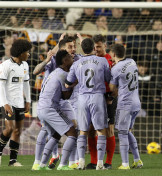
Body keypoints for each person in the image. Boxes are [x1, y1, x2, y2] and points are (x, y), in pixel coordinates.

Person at [32, 35, 79, 170]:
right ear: (65, 61)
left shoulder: (56, 72)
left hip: (42, 108)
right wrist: (75, 83)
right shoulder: (63, 74)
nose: (72, 58)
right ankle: (64, 165)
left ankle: (41, 165)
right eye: (70, 58)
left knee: (55, 134)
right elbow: (65, 96)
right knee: (72, 133)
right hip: (50, 108)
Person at [66, 38, 111, 170]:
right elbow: (108, 78)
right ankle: (100, 164)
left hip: (82, 98)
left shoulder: (76, 63)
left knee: (83, 131)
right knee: (101, 130)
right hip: (97, 97)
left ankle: (80, 162)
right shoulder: (102, 61)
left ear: (82, 48)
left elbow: (68, 82)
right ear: (93, 48)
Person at [0, 39, 32, 167]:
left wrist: (28, 100)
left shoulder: (25, 65)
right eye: (27, 52)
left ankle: (12, 161)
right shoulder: (5, 65)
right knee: (9, 128)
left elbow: (26, 84)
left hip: (19, 102)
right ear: (20, 53)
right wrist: (5, 103)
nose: (29, 54)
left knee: (17, 131)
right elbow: (1, 86)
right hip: (7, 102)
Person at [109, 44, 143, 170]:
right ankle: (137, 160)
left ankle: (125, 164)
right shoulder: (132, 62)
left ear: (113, 53)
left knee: (122, 133)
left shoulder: (116, 69)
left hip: (125, 104)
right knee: (128, 131)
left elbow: (112, 88)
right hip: (136, 103)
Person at [86, 34, 116, 170]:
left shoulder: (111, 60)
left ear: (105, 46)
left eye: (99, 46)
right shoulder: (90, 60)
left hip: (108, 98)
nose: (96, 49)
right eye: (95, 47)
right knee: (91, 130)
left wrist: (112, 96)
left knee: (108, 130)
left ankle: (108, 162)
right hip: (93, 98)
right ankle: (94, 161)